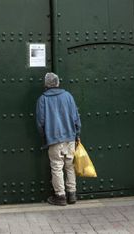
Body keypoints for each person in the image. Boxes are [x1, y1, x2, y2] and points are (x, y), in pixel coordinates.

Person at [35, 72, 81, 206]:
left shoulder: (42, 99)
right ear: (58, 83)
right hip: (70, 137)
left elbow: (40, 122)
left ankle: (60, 196)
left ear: (46, 84)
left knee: (56, 167)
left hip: (54, 139)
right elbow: (76, 117)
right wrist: (77, 133)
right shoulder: (68, 96)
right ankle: (72, 194)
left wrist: (44, 137)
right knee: (70, 166)